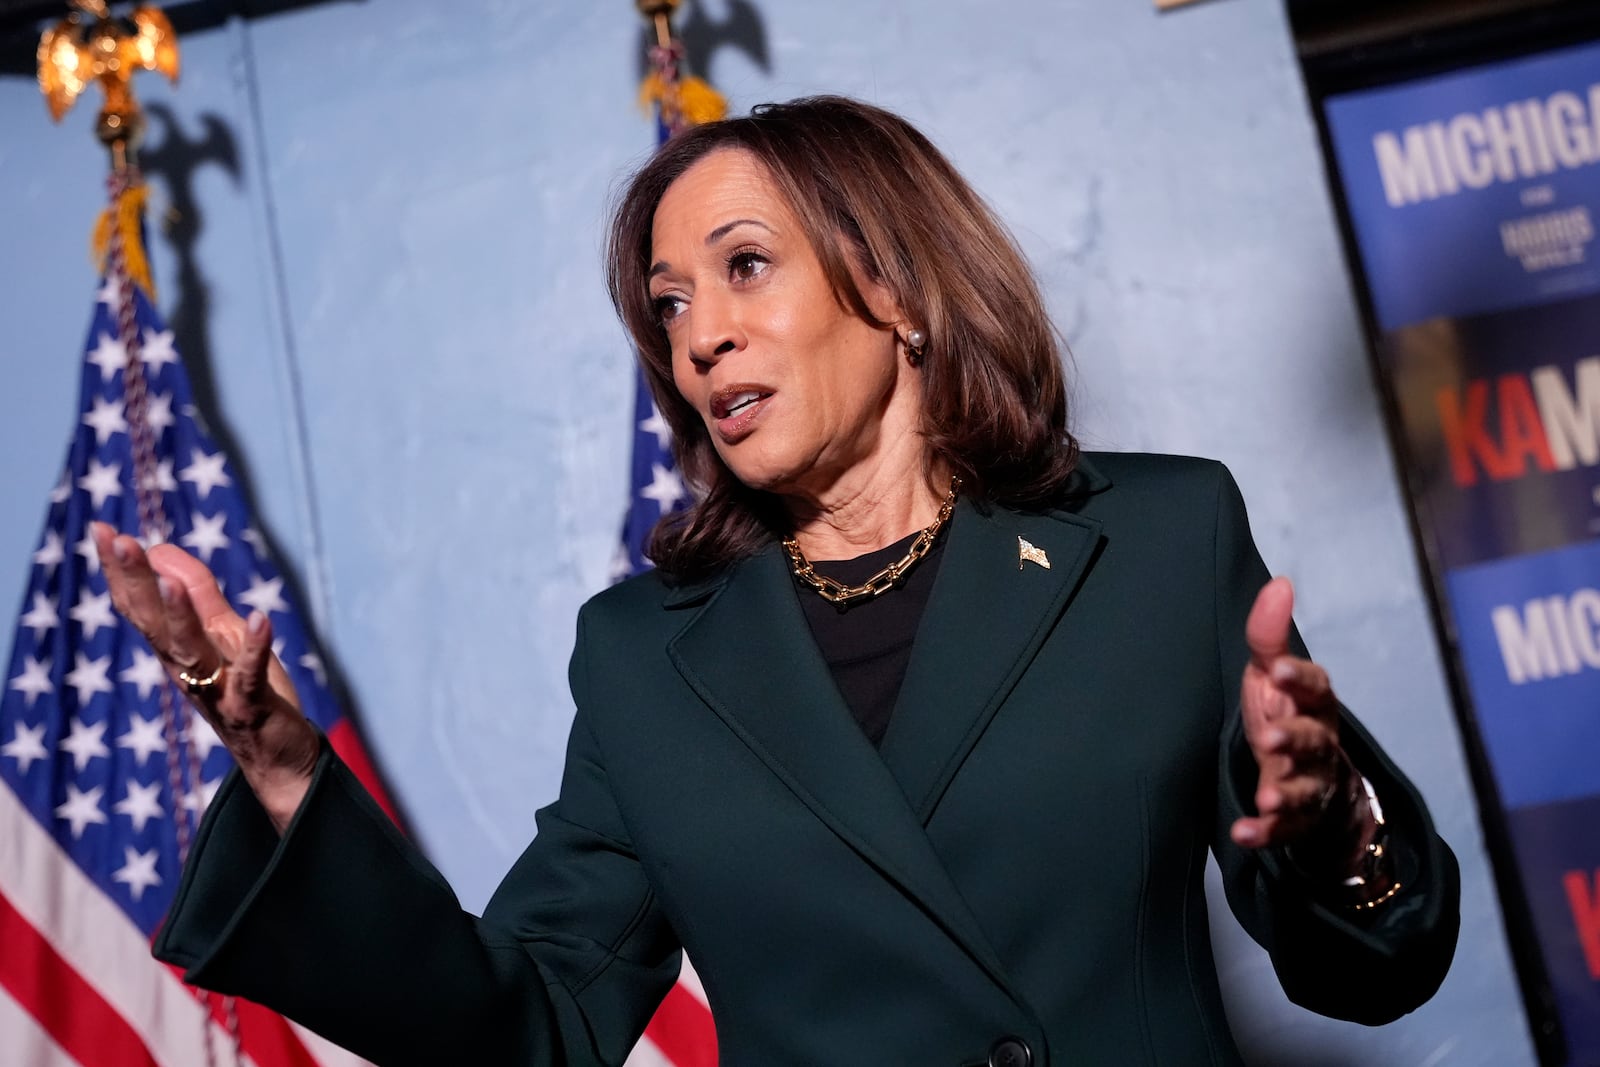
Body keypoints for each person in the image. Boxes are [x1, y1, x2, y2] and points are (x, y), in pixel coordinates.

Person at [97, 95, 1459, 1067]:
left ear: (899, 289)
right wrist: (280, 766)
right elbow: (533, 1027)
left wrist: (1338, 826)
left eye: (745, 267)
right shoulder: (646, 657)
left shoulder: (1162, 539)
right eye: (670, 303)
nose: (701, 337)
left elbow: (1370, 976)